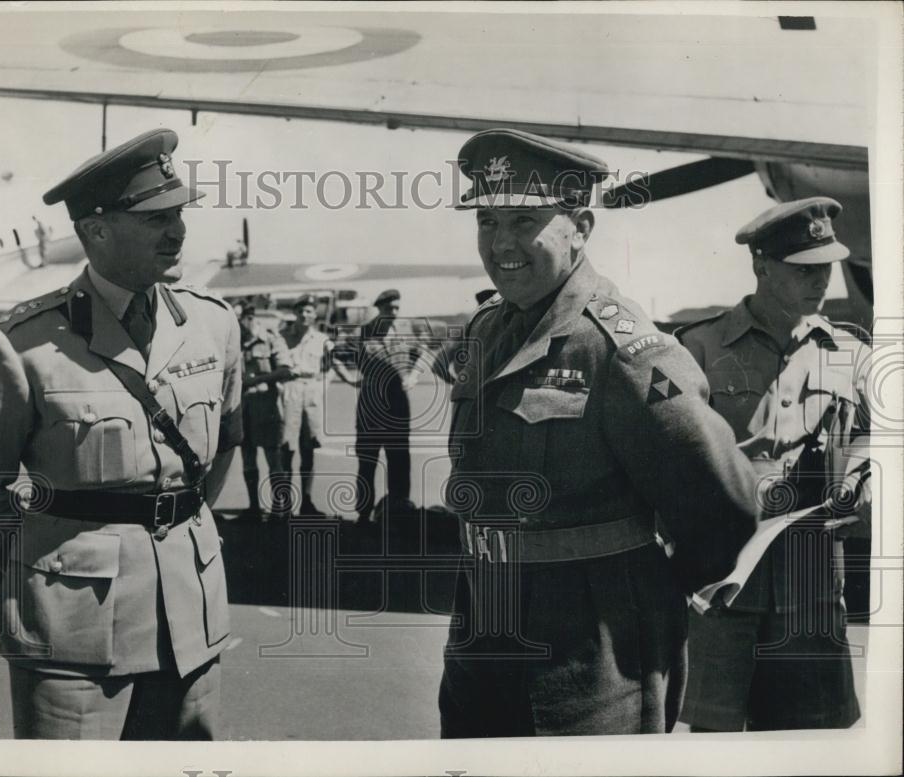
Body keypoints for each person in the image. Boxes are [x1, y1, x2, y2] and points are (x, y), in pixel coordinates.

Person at [437, 128, 760, 737]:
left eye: (525, 220)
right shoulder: (489, 328)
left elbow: (724, 501)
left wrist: (650, 594)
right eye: (487, 220)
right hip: (482, 633)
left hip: (591, 660)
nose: (502, 243)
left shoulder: (622, 350)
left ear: (580, 227)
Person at [0, 129, 243, 739]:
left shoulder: (214, 325)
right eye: (156, 217)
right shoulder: (22, 344)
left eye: (179, 212)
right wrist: (45, 567)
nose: (178, 231)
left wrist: (184, 530)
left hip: (192, 618)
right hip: (73, 638)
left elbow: (228, 440)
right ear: (96, 230)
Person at [676, 196, 871, 732]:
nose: (822, 281)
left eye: (827, 266)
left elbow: (873, 436)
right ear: (762, 266)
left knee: (809, 742)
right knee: (717, 743)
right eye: (804, 268)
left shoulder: (847, 352)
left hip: (812, 588)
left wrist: (860, 472)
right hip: (723, 587)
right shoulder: (700, 348)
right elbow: (668, 458)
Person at [352, 289, 425, 522]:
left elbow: (422, 354)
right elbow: (343, 358)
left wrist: (413, 376)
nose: (393, 312)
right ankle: (363, 513)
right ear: (379, 307)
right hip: (371, 402)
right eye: (388, 308)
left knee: (399, 457)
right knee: (367, 459)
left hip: (397, 401)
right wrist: (352, 379)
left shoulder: (404, 330)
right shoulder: (364, 332)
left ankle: (398, 510)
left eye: (396, 308)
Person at [279, 294, 355, 516]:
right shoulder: (282, 337)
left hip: (311, 395)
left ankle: (307, 502)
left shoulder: (322, 339)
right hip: (290, 392)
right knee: (287, 449)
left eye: (309, 311)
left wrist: (350, 379)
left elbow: (335, 360)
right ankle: (284, 504)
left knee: (309, 448)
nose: (305, 315)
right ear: (295, 313)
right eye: (301, 311)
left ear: (314, 315)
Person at [238, 303, 294, 520]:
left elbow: (286, 370)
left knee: (274, 459)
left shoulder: (272, 339)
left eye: (245, 319)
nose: (243, 324)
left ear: (252, 318)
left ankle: (281, 507)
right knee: (248, 457)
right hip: (243, 408)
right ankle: (254, 507)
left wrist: (257, 380)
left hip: (267, 406)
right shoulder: (236, 341)